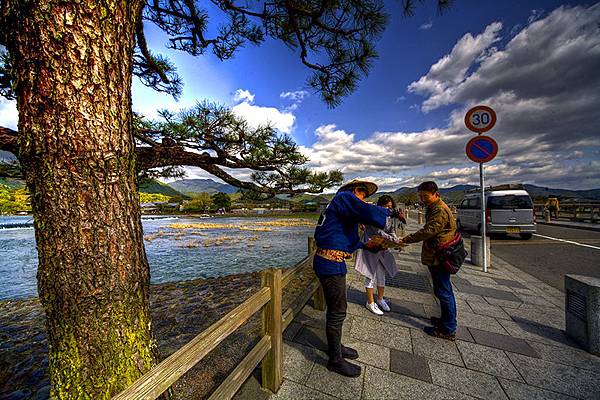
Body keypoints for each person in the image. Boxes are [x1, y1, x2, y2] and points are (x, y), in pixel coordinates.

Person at [313, 179, 403, 377]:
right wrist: (391, 212)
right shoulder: (344, 197)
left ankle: (336, 347)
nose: (364, 200)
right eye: (363, 195)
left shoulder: (340, 207)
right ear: (356, 191)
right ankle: (335, 359)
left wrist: (367, 245)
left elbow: (349, 238)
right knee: (337, 311)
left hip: (331, 262)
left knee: (338, 310)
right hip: (329, 263)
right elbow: (368, 212)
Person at [398, 181, 458, 340]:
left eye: (425, 196)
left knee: (444, 292)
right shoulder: (435, 207)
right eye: (421, 196)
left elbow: (429, 231)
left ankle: (448, 328)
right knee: (443, 290)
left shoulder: (439, 209)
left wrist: (407, 239)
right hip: (437, 254)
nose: (423, 199)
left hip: (440, 256)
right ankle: (446, 320)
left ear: (436, 194)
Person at [355, 195, 400, 315]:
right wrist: (394, 240)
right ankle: (370, 302)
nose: (388, 209)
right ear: (379, 206)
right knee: (370, 275)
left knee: (381, 274)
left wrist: (396, 239)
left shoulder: (390, 217)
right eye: (385, 206)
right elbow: (377, 232)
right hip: (371, 246)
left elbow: (391, 230)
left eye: (390, 207)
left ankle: (380, 299)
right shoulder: (372, 215)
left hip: (383, 247)